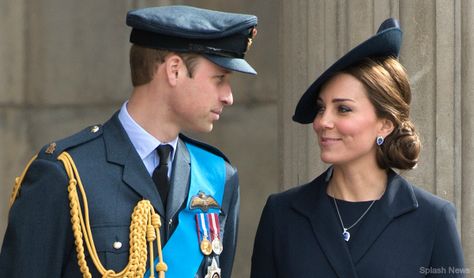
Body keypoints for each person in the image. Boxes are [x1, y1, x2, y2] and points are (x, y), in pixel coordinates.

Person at [0, 5, 258, 278]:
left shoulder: (218, 177)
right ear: (174, 70)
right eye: (219, 79)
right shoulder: (65, 175)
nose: (228, 96)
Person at [251, 18, 465, 277]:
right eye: (321, 108)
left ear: (385, 124)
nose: (322, 122)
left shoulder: (433, 219)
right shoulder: (282, 214)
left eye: (343, 109)